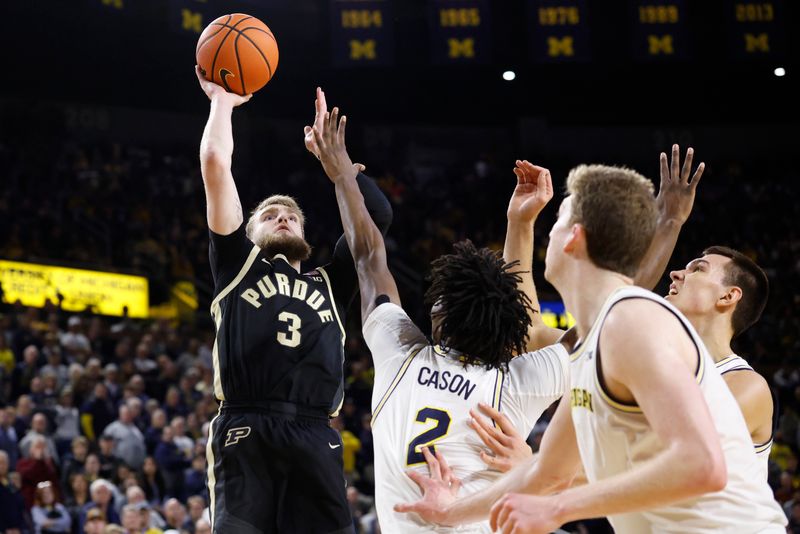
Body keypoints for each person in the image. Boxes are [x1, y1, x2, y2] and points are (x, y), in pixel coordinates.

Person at [396, 163, 786, 533]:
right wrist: (448, 512)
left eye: (559, 219)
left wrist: (558, 507)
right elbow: (546, 473)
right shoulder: (596, 344)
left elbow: (702, 465)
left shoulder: (630, 319)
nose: (550, 232)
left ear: (574, 238)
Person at [313, 105, 571, 532]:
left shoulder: (401, 354)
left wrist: (342, 174)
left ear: (439, 315)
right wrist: (669, 220)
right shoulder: (517, 384)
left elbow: (368, 256)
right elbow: (607, 327)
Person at [195, 69, 392, 534]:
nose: (283, 218)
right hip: (247, 425)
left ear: (304, 233)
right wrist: (222, 103)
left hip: (316, 431)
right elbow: (215, 164)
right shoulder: (236, 265)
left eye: (292, 216)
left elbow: (378, 217)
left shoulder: (330, 279)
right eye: (270, 215)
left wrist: (340, 169)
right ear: (249, 232)